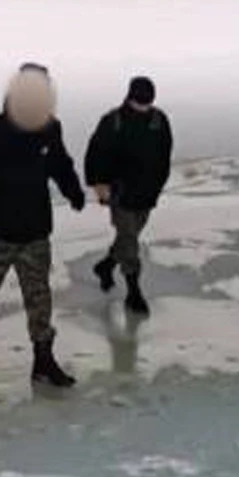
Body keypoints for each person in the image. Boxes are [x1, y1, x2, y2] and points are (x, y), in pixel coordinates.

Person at [0, 63, 86, 388]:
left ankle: (43, 359)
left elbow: (60, 163)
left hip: (35, 230)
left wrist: (73, 189)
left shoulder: (49, 128)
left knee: (39, 298)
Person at [84, 76, 174, 316]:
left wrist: (158, 185)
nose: (144, 108)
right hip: (120, 193)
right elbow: (95, 154)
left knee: (129, 236)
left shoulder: (159, 120)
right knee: (129, 239)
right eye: (140, 103)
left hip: (147, 193)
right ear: (130, 98)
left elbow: (165, 155)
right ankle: (134, 293)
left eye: (148, 103)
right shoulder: (113, 121)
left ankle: (105, 266)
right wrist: (99, 184)